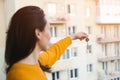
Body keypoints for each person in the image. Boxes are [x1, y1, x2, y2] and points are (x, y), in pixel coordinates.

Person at [5, 6, 88, 80]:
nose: (50, 36)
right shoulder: (20, 75)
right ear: (38, 33)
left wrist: (73, 37)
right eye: (49, 29)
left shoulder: (36, 61)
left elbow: (54, 51)